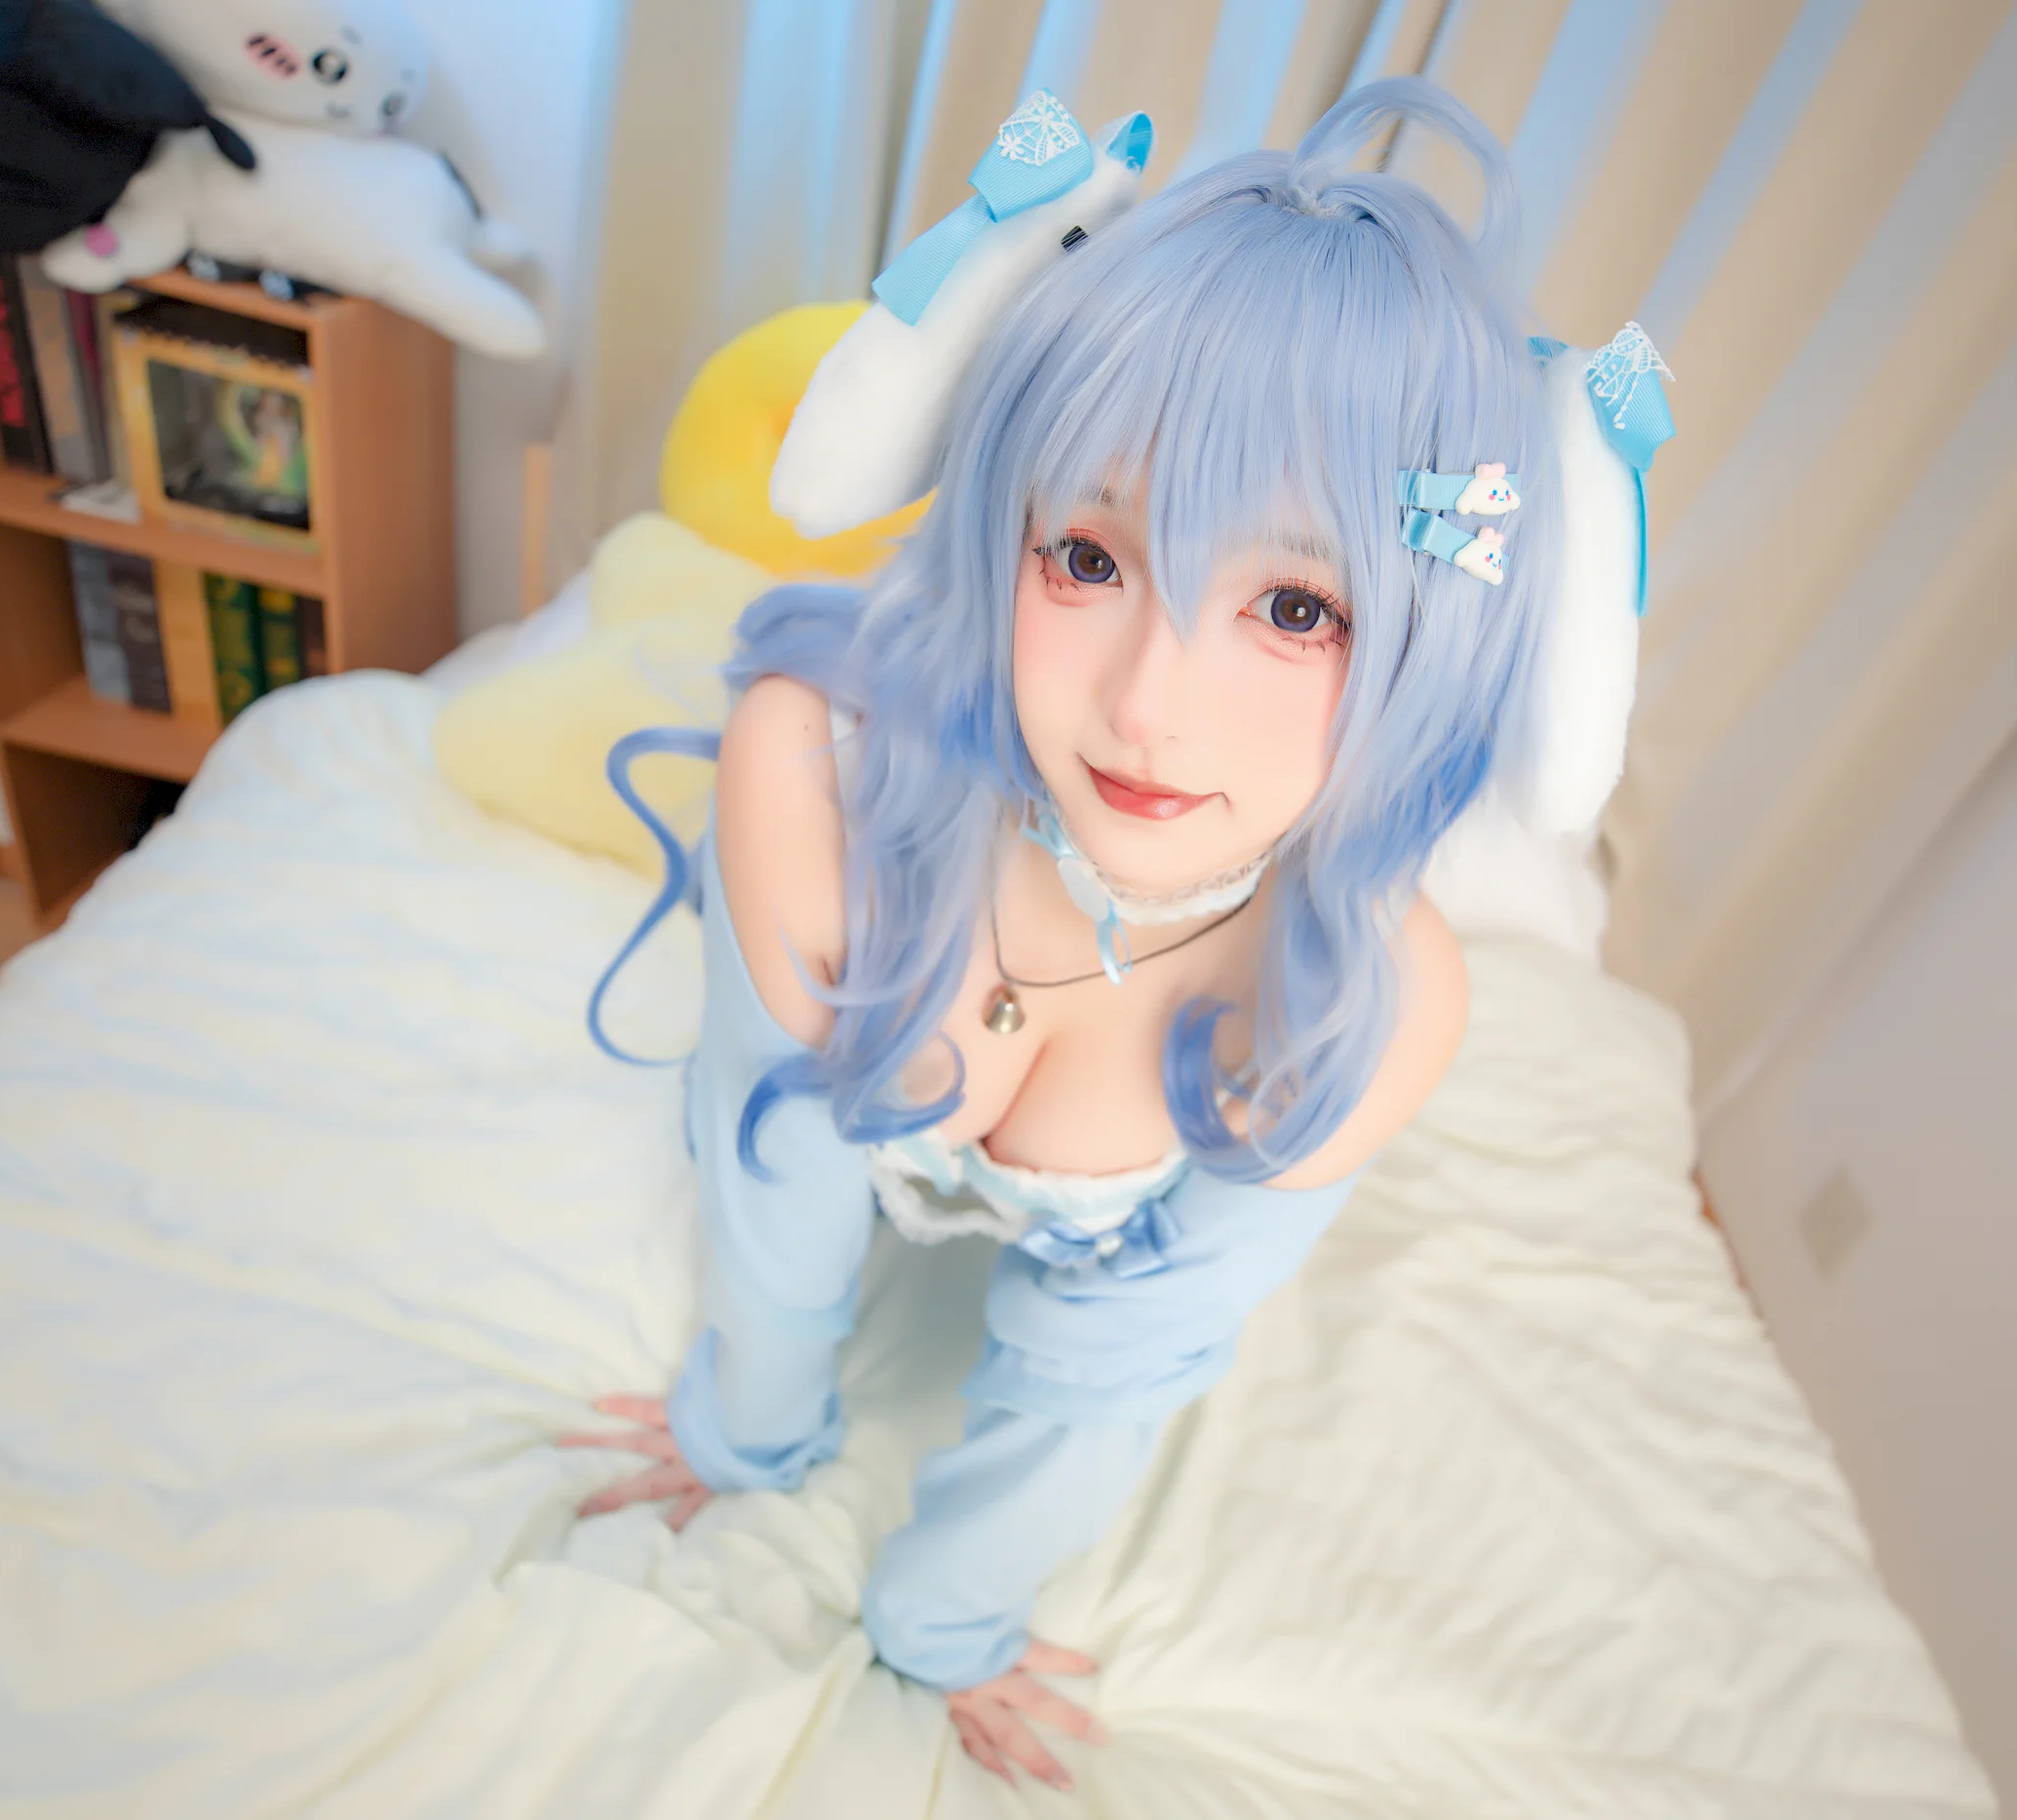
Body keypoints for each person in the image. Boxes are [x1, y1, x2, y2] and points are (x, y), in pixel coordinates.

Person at [563, 76, 1664, 1790]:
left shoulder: (1371, 998)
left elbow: (1120, 1359)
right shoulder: (814, 770)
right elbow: (771, 1161)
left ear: (1428, 637)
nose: (1151, 703)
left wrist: (947, 1617)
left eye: (1293, 605)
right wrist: (748, 1429)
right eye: (1087, 556)